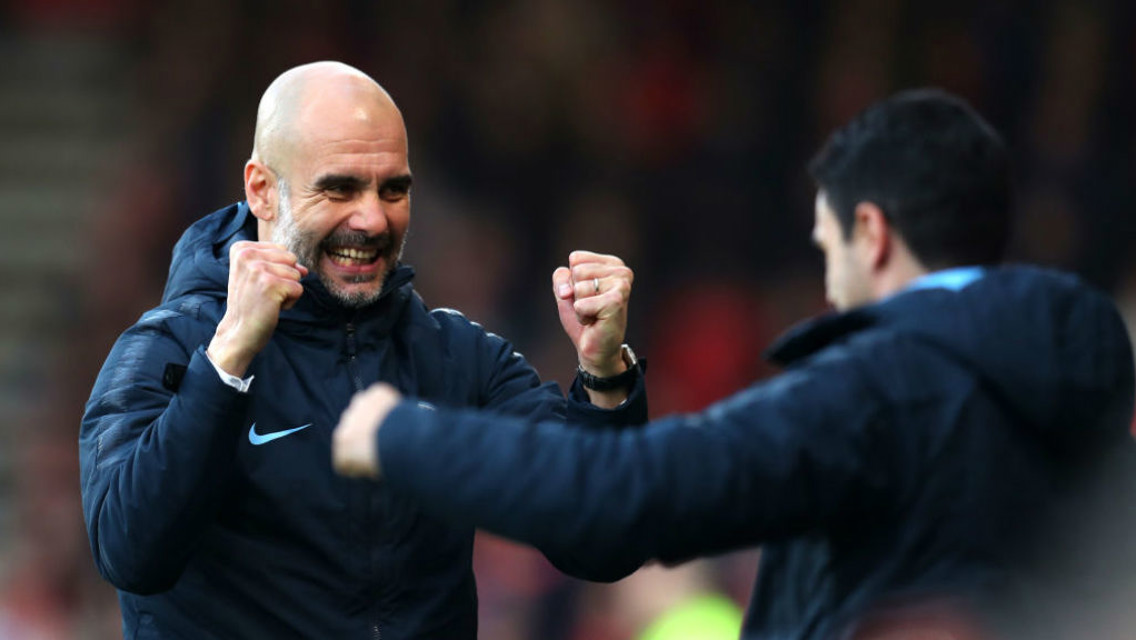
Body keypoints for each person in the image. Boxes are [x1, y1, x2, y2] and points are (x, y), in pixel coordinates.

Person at [331, 89, 1136, 639]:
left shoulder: (878, 389)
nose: (829, 286)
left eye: (830, 253)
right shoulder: (1082, 382)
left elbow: (624, 497)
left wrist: (400, 436)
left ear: (874, 233)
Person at [79, 61, 647, 639]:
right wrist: (225, 366)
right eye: (340, 188)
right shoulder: (168, 349)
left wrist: (604, 376)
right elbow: (130, 553)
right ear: (261, 190)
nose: (373, 218)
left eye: (393, 189)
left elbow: (601, 546)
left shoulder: (457, 358)